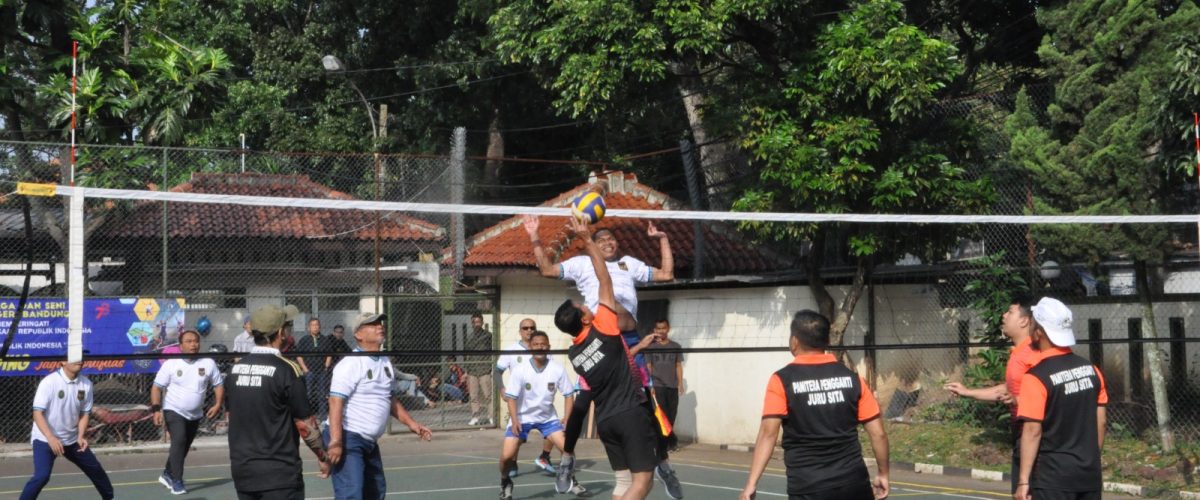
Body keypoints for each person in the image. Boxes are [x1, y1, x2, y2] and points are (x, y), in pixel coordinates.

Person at [525, 214, 682, 499]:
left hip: (628, 337)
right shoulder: (583, 263)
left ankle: (663, 464)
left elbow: (666, 274)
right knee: (582, 404)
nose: (608, 242)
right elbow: (546, 269)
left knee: (648, 403)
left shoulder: (629, 264)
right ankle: (567, 459)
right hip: (602, 337)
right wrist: (535, 236)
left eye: (612, 238)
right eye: (602, 239)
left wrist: (663, 239)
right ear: (593, 245)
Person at [554, 216, 658, 500]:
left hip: (606, 421)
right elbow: (604, 279)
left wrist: (639, 347)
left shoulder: (575, 354)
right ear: (585, 318)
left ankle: (567, 457)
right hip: (629, 414)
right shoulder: (606, 328)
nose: (587, 305)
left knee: (622, 484)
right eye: (582, 306)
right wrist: (587, 239)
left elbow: (618, 361)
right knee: (643, 482)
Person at [739, 310, 889, 500]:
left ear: (794, 341)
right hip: (854, 483)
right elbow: (878, 433)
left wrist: (751, 484)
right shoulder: (853, 379)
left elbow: (768, 434)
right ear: (827, 340)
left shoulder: (782, 380)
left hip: (809, 487)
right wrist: (883, 473)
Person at [225, 304, 330, 499]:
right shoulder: (287, 369)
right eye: (288, 326)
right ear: (281, 332)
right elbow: (305, 424)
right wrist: (323, 456)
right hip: (280, 474)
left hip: (243, 471)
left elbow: (230, 415)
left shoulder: (234, 370)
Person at [325, 312, 433, 499]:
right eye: (372, 325)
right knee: (352, 493)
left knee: (376, 492)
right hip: (349, 438)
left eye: (380, 323)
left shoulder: (384, 361)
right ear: (358, 334)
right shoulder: (350, 364)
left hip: (369, 442)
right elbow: (335, 402)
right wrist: (336, 441)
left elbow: (388, 398)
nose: (380, 327)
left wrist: (413, 425)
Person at [943, 295, 1038, 492]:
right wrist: (967, 392)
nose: (1004, 315)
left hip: (1032, 434)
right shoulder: (1018, 353)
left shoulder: (1032, 354)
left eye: (1010, 312)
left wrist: (1017, 400)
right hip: (1020, 434)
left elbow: (1045, 394)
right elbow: (1007, 389)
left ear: (1024, 321)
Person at [1015, 297, 1108, 500]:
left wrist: (1023, 480)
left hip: (1053, 478)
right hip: (1089, 475)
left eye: (1032, 323)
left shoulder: (1035, 377)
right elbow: (1101, 422)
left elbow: (1032, 431)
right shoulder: (1092, 370)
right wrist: (1091, 459)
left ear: (1039, 332)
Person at [498, 330, 577, 500]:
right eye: (536, 344)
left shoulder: (557, 369)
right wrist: (515, 420)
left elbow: (569, 395)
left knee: (568, 450)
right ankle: (505, 481)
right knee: (506, 457)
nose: (540, 347)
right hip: (522, 419)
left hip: (548, 419)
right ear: (530, 348)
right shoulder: (520, 370)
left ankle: (568, 477)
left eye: (543, 344)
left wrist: (567, 418)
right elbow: (511, 398)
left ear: (548, 347)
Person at [20, 360, 115, 500]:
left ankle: (110, 498)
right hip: (45, 439)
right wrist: (50, 438)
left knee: (96, 470)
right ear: (63, 362)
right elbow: (37, 413)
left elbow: (84, 413)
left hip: (72, 440)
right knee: (42, 476)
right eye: (74, 357)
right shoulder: (49, 382)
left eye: (81, 357)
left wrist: (81, 436)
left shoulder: (86, 384)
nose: (79, 360)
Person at [151, 329, 225, 495]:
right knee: (179, 440)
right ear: (180, 345)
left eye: (196, 341)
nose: (193, 345)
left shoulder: (208, 363)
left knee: (183, 446)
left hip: (195, 414)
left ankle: (168, 473)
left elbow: (218, 385)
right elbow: (156, 387)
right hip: (173, 410)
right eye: (189, 341)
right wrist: (156, 409)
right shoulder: (171, 364)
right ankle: (177, 481)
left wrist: (218, 404)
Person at [495, 318, 558, 475]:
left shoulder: (544, 351)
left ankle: (545, 457)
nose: (529, 330)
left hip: (541, 400)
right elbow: (497, 372)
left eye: (532, 327)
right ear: (520, 331)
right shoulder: (511, 350)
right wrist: (502, 389)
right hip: (519, 402)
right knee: (518, 436)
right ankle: (513, 463)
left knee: (553, 428)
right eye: (525, 328)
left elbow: (553, 370)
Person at [644, 319, 684, 451]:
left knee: (672, 415)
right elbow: (648, 366)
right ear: (655, 330)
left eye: (664, 328)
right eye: (659, 328)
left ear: (668, 329)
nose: (661, 331)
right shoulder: (650, 347)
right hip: (657, 385)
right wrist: (650, 385)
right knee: (662, 415)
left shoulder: (676, 346)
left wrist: (680, 383)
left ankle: (668, 442)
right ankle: (665, 443)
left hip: (672, 385)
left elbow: (678, 365)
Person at [297, 318, 333, 420]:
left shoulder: (325, 340)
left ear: (320, 326)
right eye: (313, 325)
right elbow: (298, 355)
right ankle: (307, 416)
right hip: (309, 371)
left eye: (317, 325)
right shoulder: (304, 340)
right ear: (309, 327)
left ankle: (322, 417)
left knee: (322, 394)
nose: (315, 327)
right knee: (308, 394)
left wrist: (326, 367)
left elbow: (329, 354)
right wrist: (305, 369)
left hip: (322, 371)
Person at [464, 313, 495, 426]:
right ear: (472, 323)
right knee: (473, 396)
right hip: (472, 370)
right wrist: (466, 371)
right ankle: (475, 417)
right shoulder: (469, 337)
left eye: (478, 322)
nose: (476, 324)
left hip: (484, 369)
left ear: (482, 322)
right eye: (474, 322)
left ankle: (491, 417)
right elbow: (466, 354)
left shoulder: (488, 336)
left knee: (488, 395)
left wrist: (491, 367)